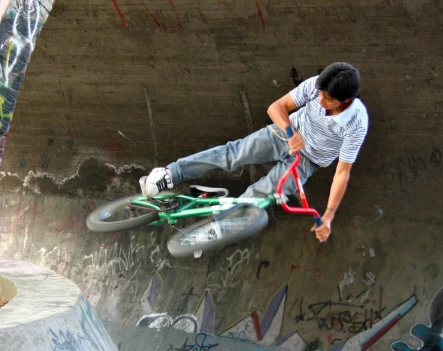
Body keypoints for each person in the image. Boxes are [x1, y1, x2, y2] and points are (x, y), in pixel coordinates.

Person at [139, 62, 368, 243]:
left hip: (306, 162)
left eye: (327, 99)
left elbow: (342, 173)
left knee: (260, 196)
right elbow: (276, 107)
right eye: (320, 94)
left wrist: (328, 215)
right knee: (234, 154)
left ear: (346, 100)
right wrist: (290, 132)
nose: (320, 100)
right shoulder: (316, 86)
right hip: (285, 133)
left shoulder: (356, 124)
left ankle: (214, 228)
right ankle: (170, 174)